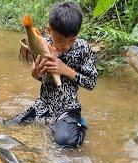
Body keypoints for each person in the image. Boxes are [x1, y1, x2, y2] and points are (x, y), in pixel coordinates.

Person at [7, 1, 97, 148]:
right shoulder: (42, 44)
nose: (67, 45)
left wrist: (66, 70)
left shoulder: (83, 49)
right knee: (8, 126)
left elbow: (91, 83)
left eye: (72, 40)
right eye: (61, 40)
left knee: (65, 143)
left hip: (68, 108)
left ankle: (80, 124)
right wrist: (35, 73)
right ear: (49, 31)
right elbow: (37, 75)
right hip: (43, 105)